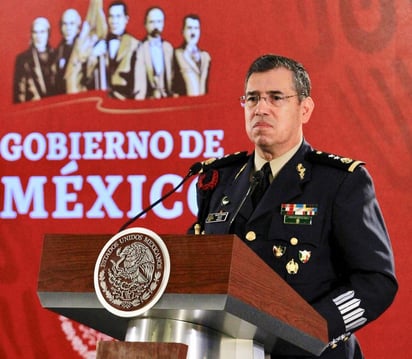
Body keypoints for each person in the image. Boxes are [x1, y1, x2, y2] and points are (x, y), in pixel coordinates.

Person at [189, 54, 398, 358]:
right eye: (252, 98)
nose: (261, 108)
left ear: (305, 109)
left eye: (276, 98)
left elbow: (376, 281)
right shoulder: (218, 180)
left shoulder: (339, 182)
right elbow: (199, 269)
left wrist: (310, 329)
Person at [86, 0, 141, 99]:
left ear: (126, 19)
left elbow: (140, 83)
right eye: (111, 16)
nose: (114, 21)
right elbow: (87, 77)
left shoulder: (135, 45)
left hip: (126, 101)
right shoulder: (100, 43)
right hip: (102, 102)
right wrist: (93, 56)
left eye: (118, 16)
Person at [13, 17, 55, 103]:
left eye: (42, 32)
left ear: (48, 34)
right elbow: (20, 93)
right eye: (35, 32)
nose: (38, 36)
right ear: (31, 35)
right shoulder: (23, 59)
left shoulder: (56, 55)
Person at [135, 7, 174, 99]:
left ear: (163, 24)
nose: (156, 26)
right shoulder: (140, 49)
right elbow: (139, 82)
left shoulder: (168, 48)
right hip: (148, 100)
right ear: (145, 24)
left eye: (159, 22)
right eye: (152, 22)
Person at [173, 14, 211, 96]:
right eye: (189, 28)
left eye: (196, 28)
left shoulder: (205, 57)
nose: (193, 32)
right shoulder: (176, 54)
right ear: (183, 31)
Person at [54, 9, 82, 94]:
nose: (68, 28)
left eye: (72, 24)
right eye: (65, 24)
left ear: (78, 27)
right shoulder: (58, 51)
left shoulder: (84, 49)